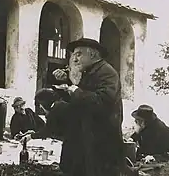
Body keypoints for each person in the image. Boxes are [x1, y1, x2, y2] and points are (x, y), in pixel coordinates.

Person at [51, 38, 125, 176]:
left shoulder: (107, 73)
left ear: (92, 54)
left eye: (78, 54)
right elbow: (84, 98)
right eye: (73, 55)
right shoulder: (91, 71)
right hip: (87, 137)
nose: (74, 59)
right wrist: (67, 84)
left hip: (101, 140)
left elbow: (102, 102)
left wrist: (75, 90)